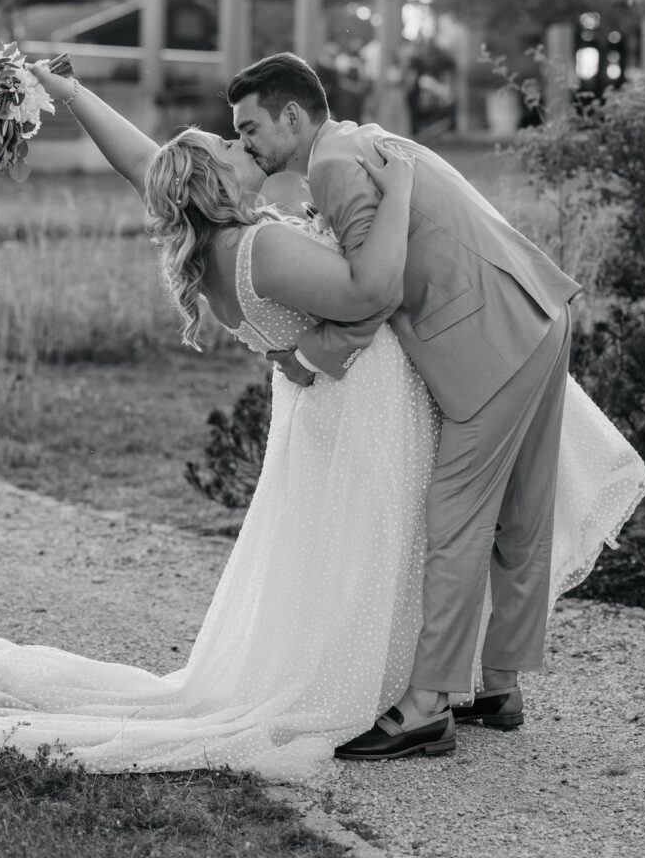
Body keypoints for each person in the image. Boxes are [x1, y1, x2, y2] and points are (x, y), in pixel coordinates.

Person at [0, 63, 645, 780]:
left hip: (379, 387)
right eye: (228, 141)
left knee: (444, 530)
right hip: (388, 391)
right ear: (213, 183)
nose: (240, 142)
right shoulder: (257, 242)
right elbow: (371, 291)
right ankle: (460, 690)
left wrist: (69, 91)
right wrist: (391, 207)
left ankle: (467, 686)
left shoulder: (218, 229)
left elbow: (147, 163)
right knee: (458, 525)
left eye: (243, 130)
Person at [226, 52, 590, 760]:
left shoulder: (335, 167)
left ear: (292, 116)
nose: (246, 144)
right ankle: (499, 684)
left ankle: (425, 707)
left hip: (491, 336)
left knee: (454, 518)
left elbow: (375, 287)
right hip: (538, 309)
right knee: (521, 511)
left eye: (250, 129)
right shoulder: (365, 141)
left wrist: (309, 357)